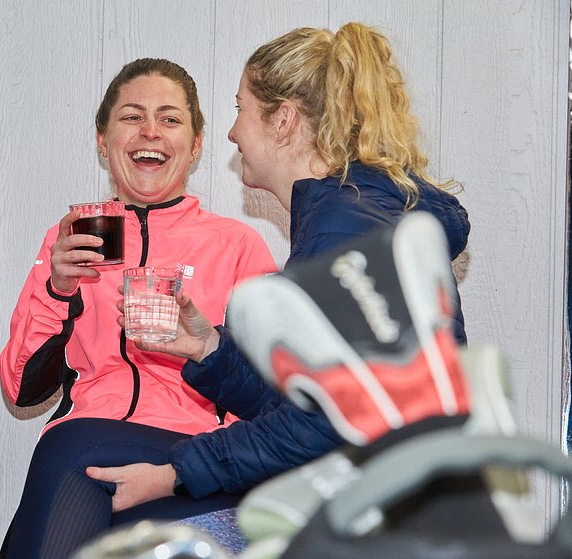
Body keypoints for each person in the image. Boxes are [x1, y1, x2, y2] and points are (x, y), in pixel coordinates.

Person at [98, 23, 471, 508]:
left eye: (241, 109)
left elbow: (327, 423)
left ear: (283, 121)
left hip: (390, 528)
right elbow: (309, 403)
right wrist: (209, 349)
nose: (231, 133)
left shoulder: (343, 228)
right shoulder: (346, 215)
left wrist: (177, 473)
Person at [0, 58, 277, 559]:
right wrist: (56, 286)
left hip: (192, 466)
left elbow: (272, 397)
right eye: (132, 118)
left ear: (194, 145)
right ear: (103, 140)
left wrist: (202, 345)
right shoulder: (71, 238)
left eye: (169, 120)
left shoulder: (237, 245)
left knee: (72, 446)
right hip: (86, 471)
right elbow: (22, 388)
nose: (149, 132)